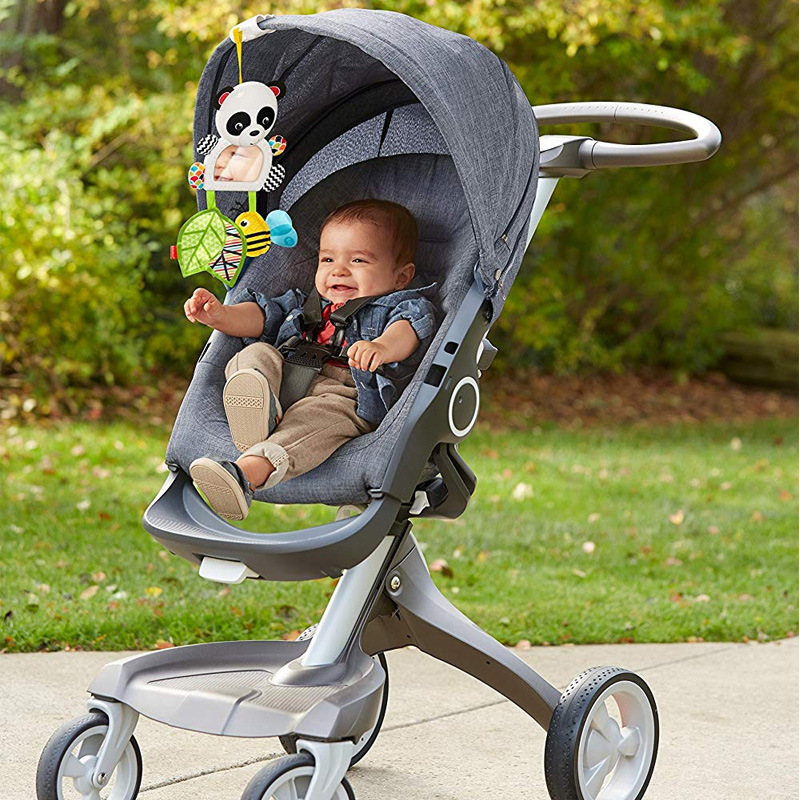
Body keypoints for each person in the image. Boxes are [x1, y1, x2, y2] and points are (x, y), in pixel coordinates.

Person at [183, 199, 437, 520]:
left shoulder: (397, 306)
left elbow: (410, 328)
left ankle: (244, 474)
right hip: (282, 380)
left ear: (401, 277)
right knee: (255, 354)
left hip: (343, 393)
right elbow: (263, 315)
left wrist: (382, 347)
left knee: (312, 423)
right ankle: (258, 407)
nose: (338, 270)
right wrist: (222, 315)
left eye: (358, 260)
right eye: (328, 259)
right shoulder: (305, 304)